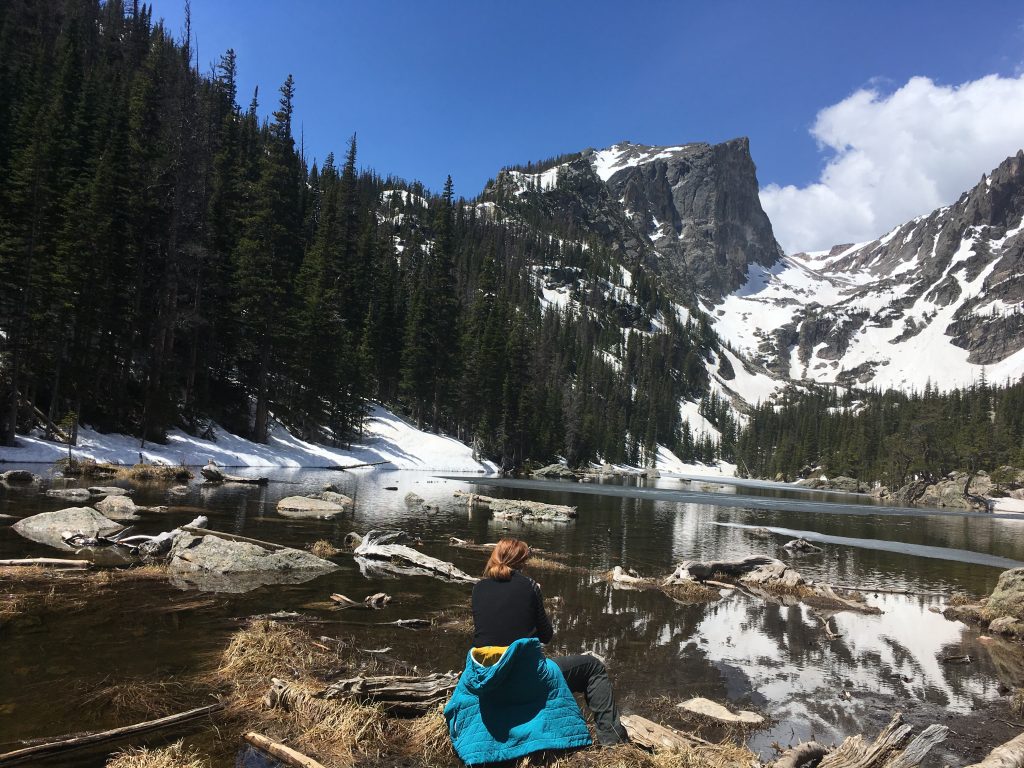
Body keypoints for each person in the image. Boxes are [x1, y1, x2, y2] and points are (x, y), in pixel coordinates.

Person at [470, 537, 628, 746]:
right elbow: (546, 635)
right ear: (522, 562)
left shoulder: (478, 589)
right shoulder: (529, 586)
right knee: (593, 668)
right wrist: (536, 597)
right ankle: (612, 741)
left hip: (489, 678)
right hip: (524, 681)